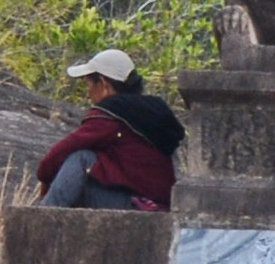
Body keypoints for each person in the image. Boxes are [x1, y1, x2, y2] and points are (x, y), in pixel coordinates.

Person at [31, 47, 183, 210]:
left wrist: (44, 177)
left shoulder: (111, 114)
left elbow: (59, 154)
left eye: (89, 83)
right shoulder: (149, 112)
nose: (88, 92)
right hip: (158, 204)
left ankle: (42, 216)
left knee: (81, 158)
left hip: (132, 205)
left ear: (104, 84)